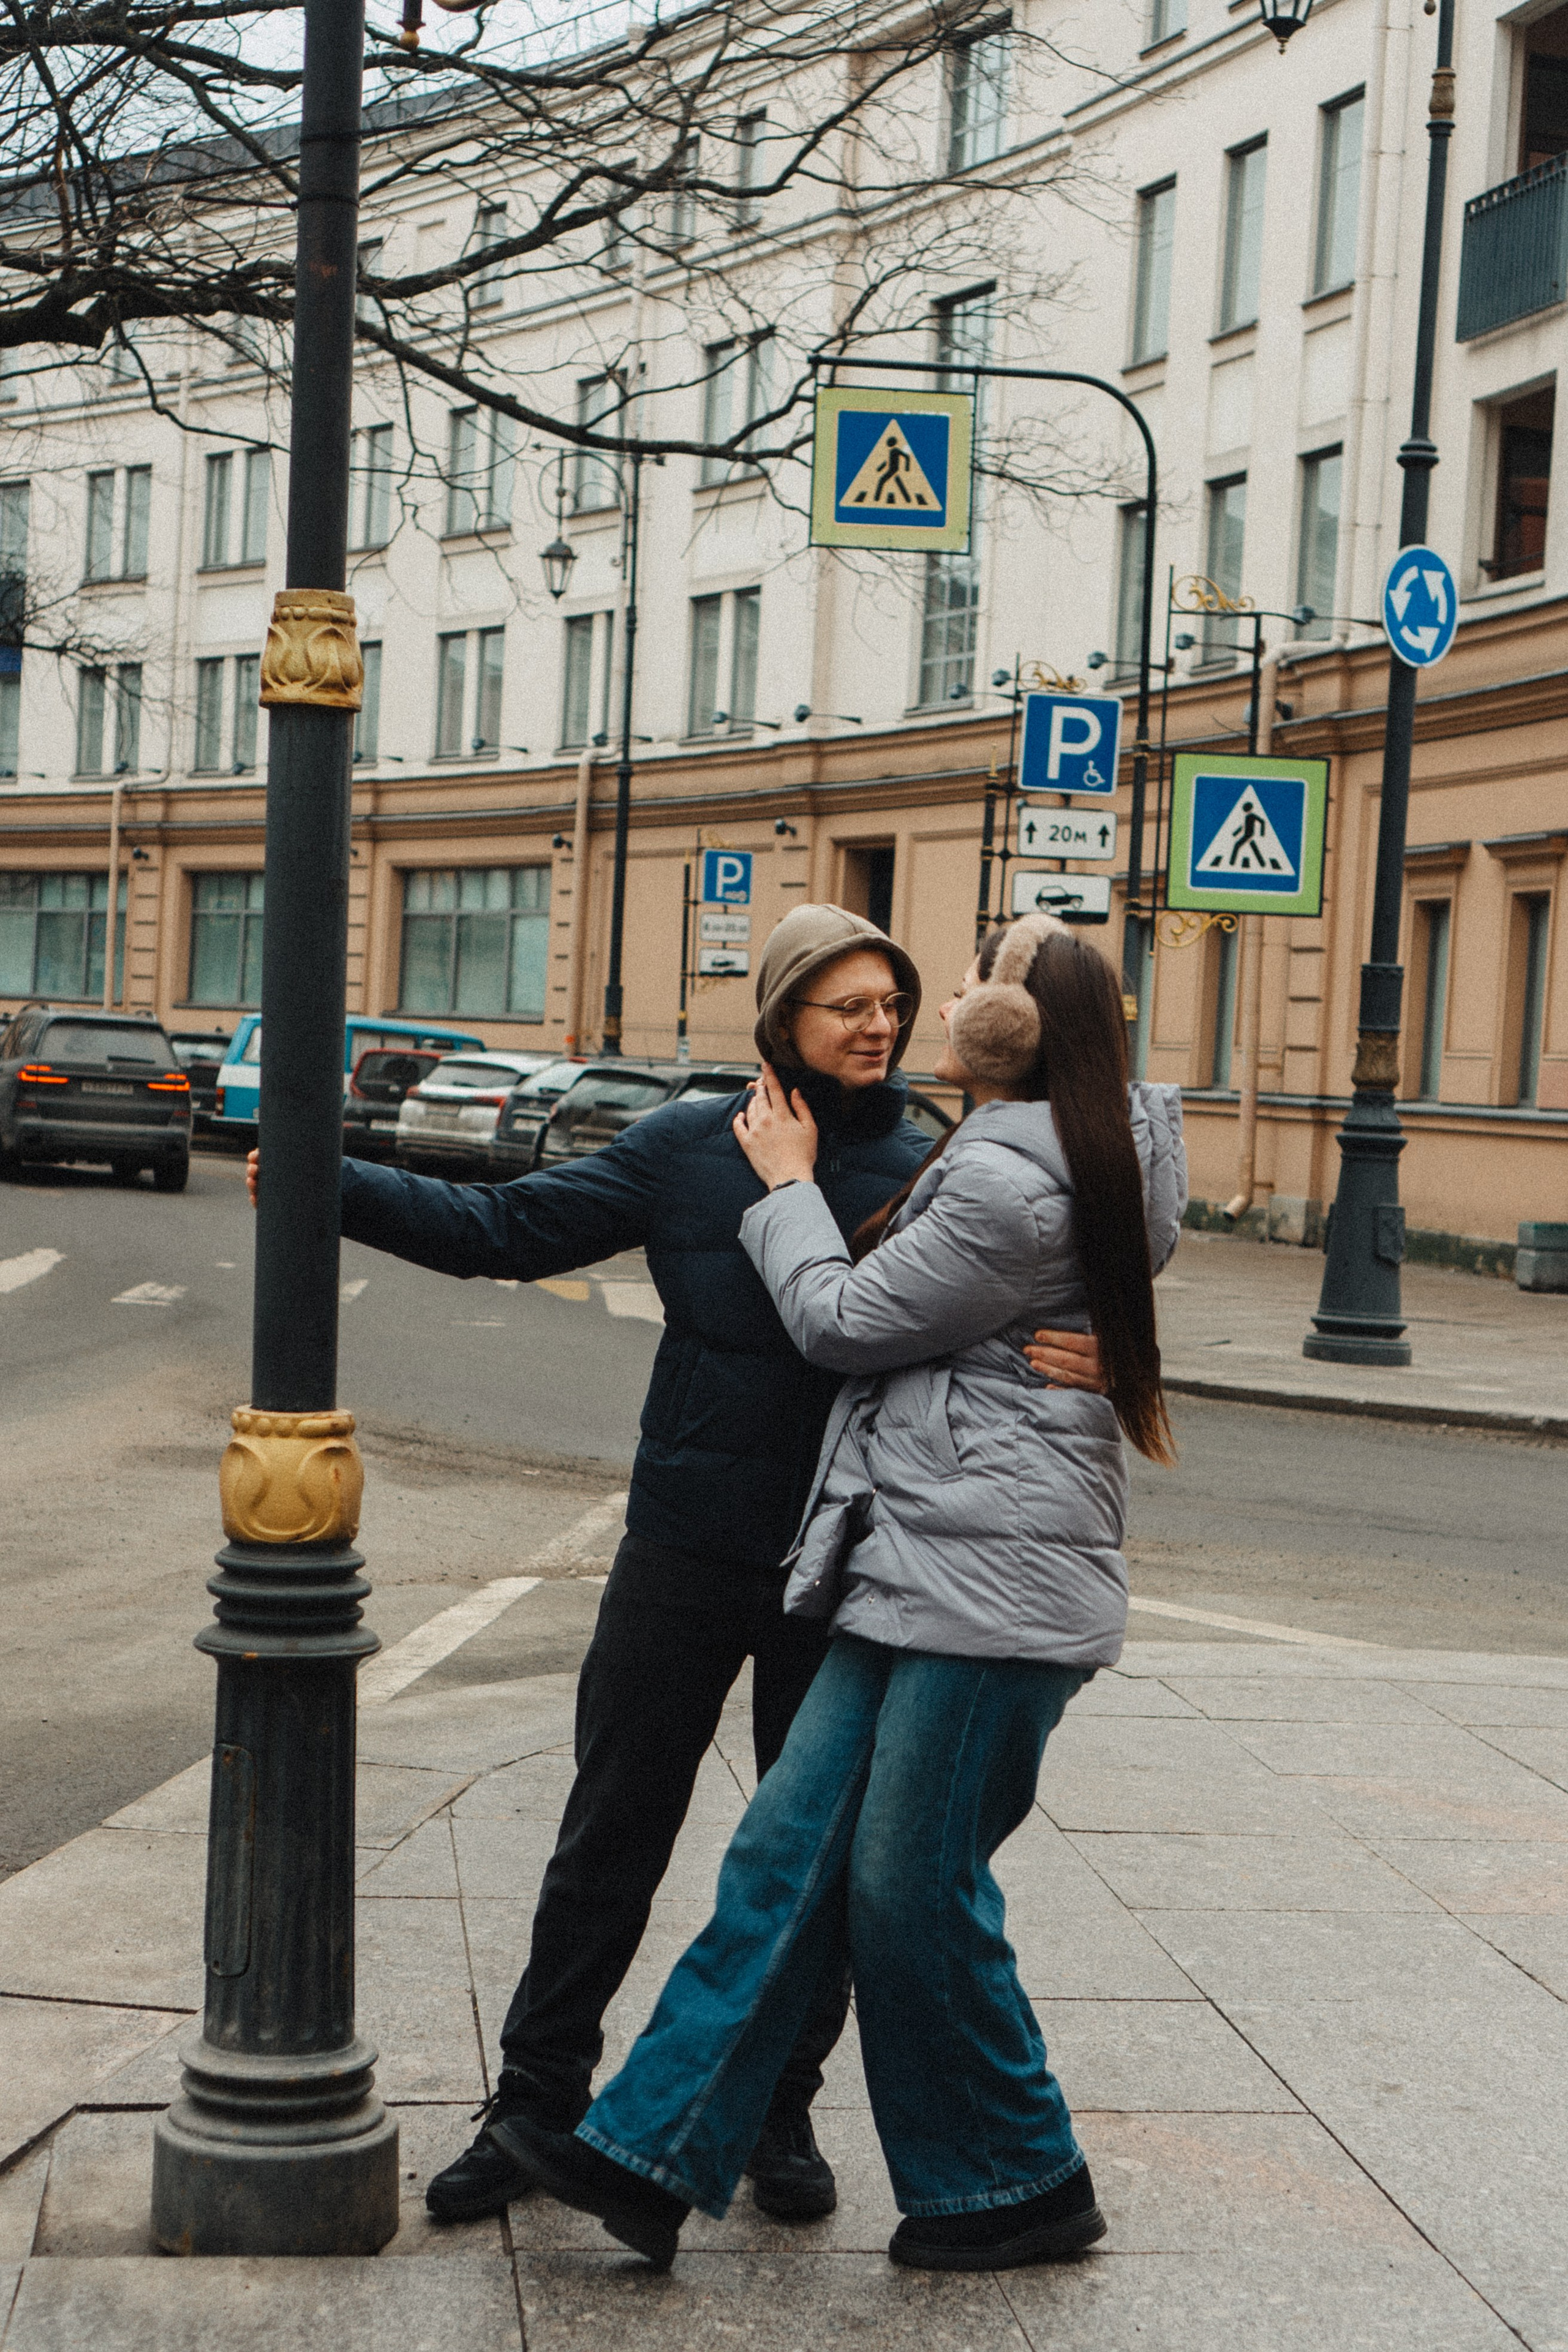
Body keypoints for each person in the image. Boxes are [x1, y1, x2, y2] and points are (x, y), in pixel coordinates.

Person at [243, 902, 1106, 2225]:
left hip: (850, 1564)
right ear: (780, 1020)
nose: (876, 1025)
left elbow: (1058, 1262)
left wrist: (1096, 1338)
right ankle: (534, 2102)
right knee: (611, 1830)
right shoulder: (688, 1144)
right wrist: (327, 1184)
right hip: (684, 1548)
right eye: (845, 1005)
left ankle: (777, 2114)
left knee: (803, 1856)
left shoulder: (942, 1164)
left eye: (891, 1002)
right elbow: (507, 1232)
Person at [483, 911, 1187, 2275]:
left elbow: (841, 1321)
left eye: (973, 977)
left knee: (907, 1886)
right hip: (902, 1551)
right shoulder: (1061, 1147)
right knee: (784, 1854)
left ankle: (1015, 2177)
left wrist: (788, 1189)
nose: (933, 1006)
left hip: (984, 1574)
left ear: (1013, 1030)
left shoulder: (991, 1171)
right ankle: (649, 2147)